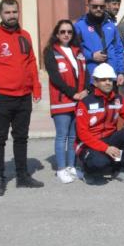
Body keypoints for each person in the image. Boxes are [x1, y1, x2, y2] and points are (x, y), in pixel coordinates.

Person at [0, 0, 44, 197]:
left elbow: (31, 62)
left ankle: (23, 176)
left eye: (14, 12)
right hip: (1, 97)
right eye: (7, 12)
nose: (12, 15)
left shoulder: (25, 35)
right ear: (0, 14)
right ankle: (0, 178)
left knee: (21, 137)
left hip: (24, 96)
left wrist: (36, 88)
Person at [74, 63, 124, 184]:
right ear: (95, 82)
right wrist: (106, 148)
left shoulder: (117, 99)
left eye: (110, 79)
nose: (108, 82)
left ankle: (119, 170)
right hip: (89, 143)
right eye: (103, 80)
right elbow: (82, 134)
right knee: (100, 162)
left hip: (109, 138)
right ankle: (87, 170)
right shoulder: (85, 103)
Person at [44, 19, 88, 184]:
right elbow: (55, 77)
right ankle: (61, 169)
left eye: (69, 32)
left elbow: (85, 73)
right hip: (62, 100)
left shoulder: (78, 50)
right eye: (62, 32)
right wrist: (73, 93)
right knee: (62, 136)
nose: (66, 35)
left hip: (78, 100)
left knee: (73, 137)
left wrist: (86, 91)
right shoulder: (50, 51)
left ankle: (71, 166)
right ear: (57, 34)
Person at [74, 0, 124, 85]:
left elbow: (118, 49)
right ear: (88, 5)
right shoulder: (79, 26)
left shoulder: (111, 25)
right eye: (95, 6)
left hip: (111, 76)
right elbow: (74, 51)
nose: (98, 9)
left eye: (101, 7)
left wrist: (120, 72)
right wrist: (91, 56)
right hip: (92, 77)